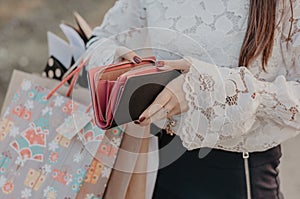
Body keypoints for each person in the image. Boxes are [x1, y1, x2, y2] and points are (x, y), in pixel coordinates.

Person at [86, 0, 300, 198]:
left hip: (235, 175)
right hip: (155, 165)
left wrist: (207, 89)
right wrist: (117, 62)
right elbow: (99, 40)